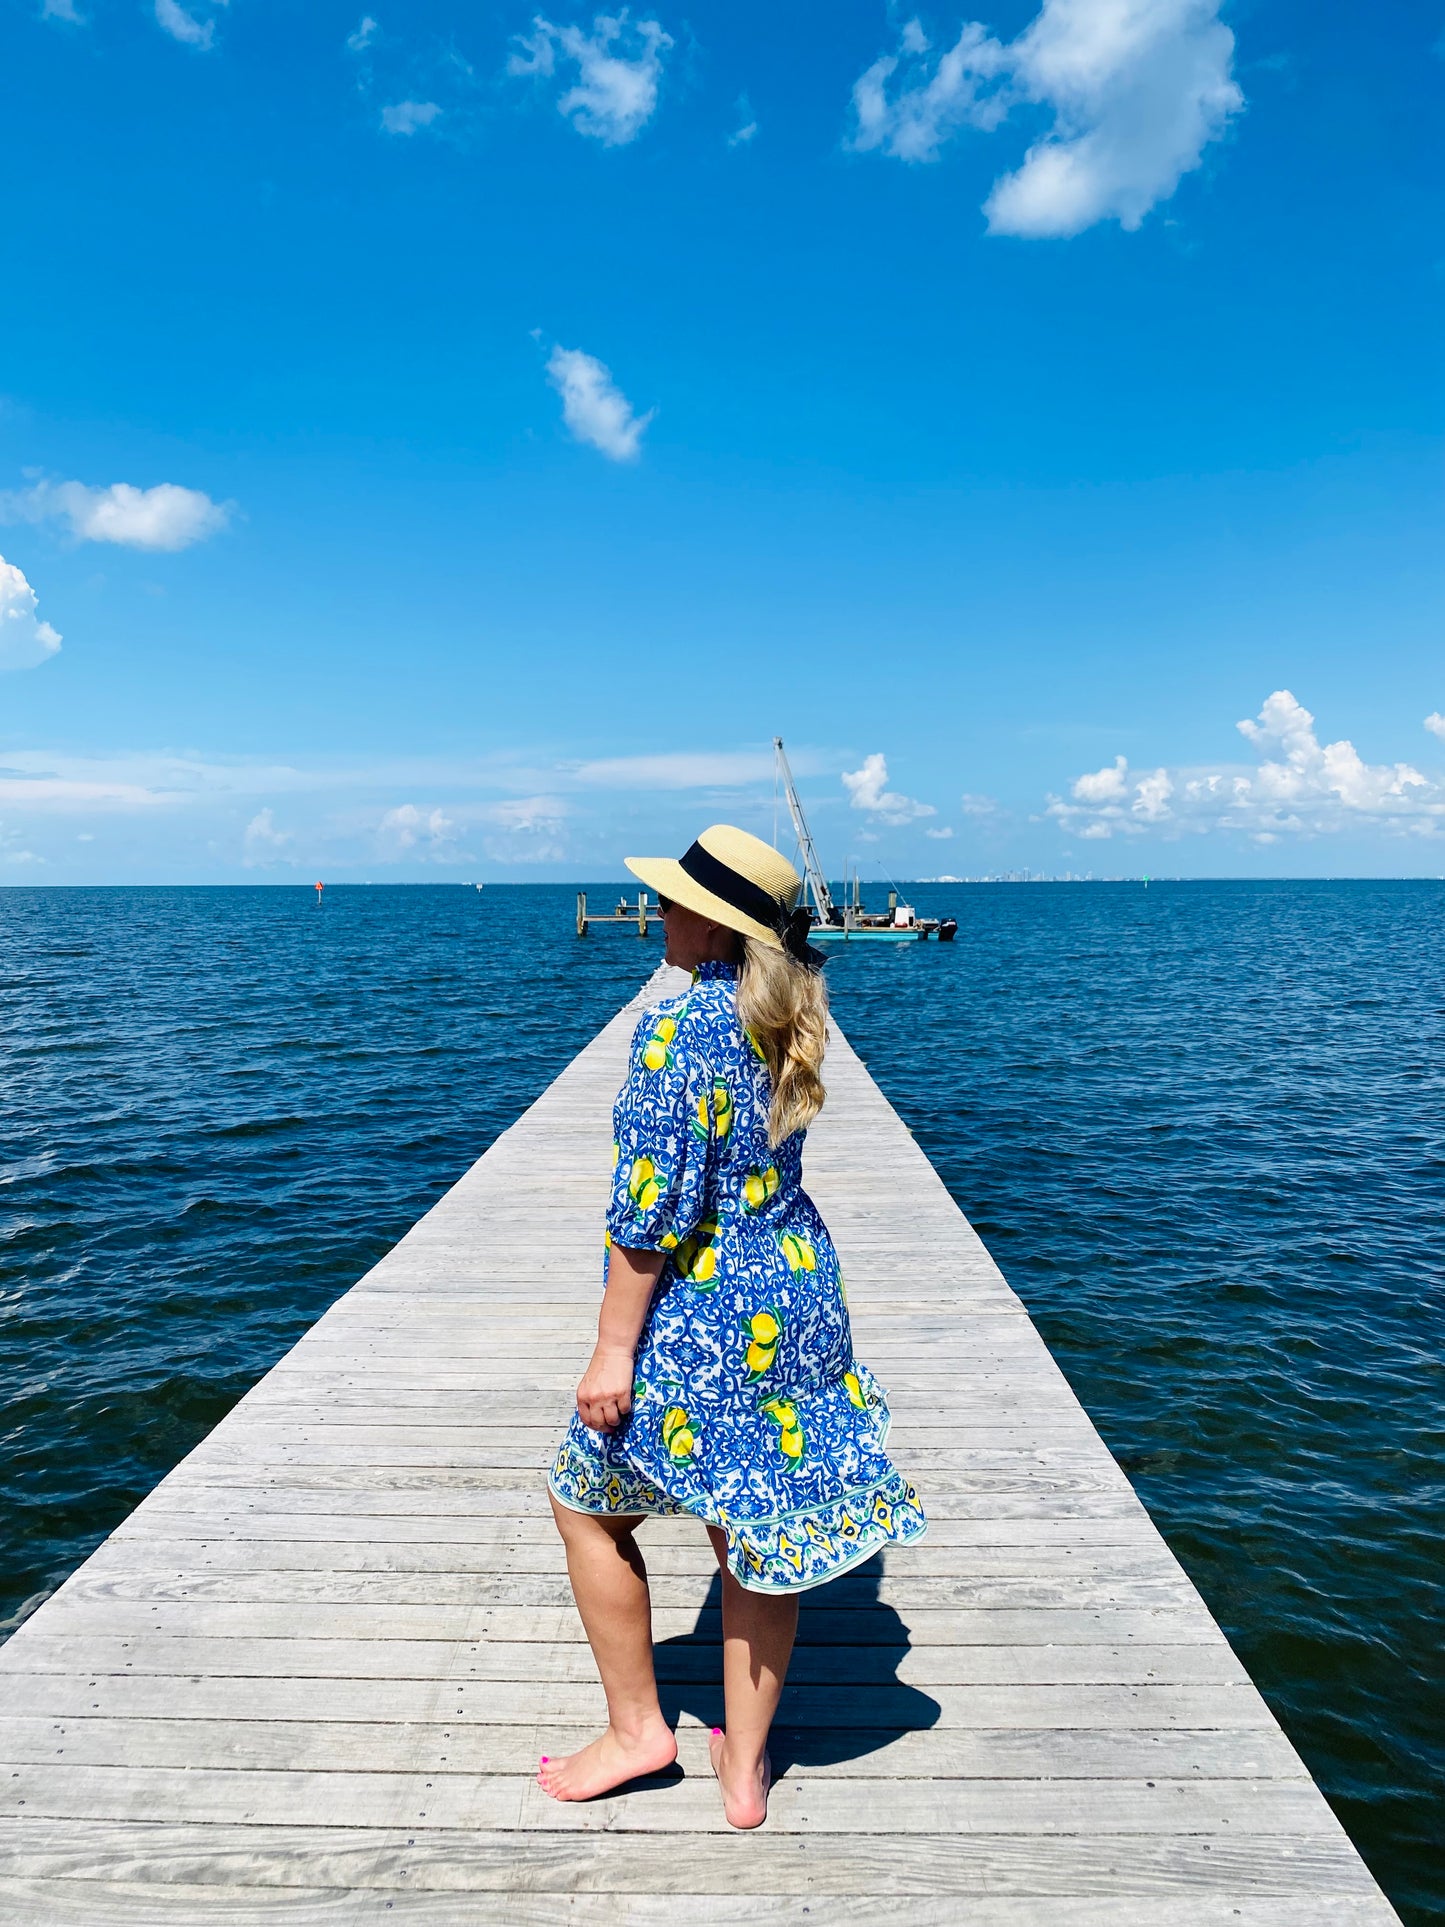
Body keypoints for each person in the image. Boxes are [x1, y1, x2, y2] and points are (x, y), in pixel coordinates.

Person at [541, 824, 927, 1827]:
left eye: (668, 901)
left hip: (702, 1313)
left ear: (710, 924)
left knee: (583, 1501)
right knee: (755, 1534)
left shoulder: (675, 1032)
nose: (654, 913)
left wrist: (611, 1349)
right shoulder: (785, 1014)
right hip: (796, 1299)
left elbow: (647, 1214)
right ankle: (743, 1771)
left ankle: (639, 1732)